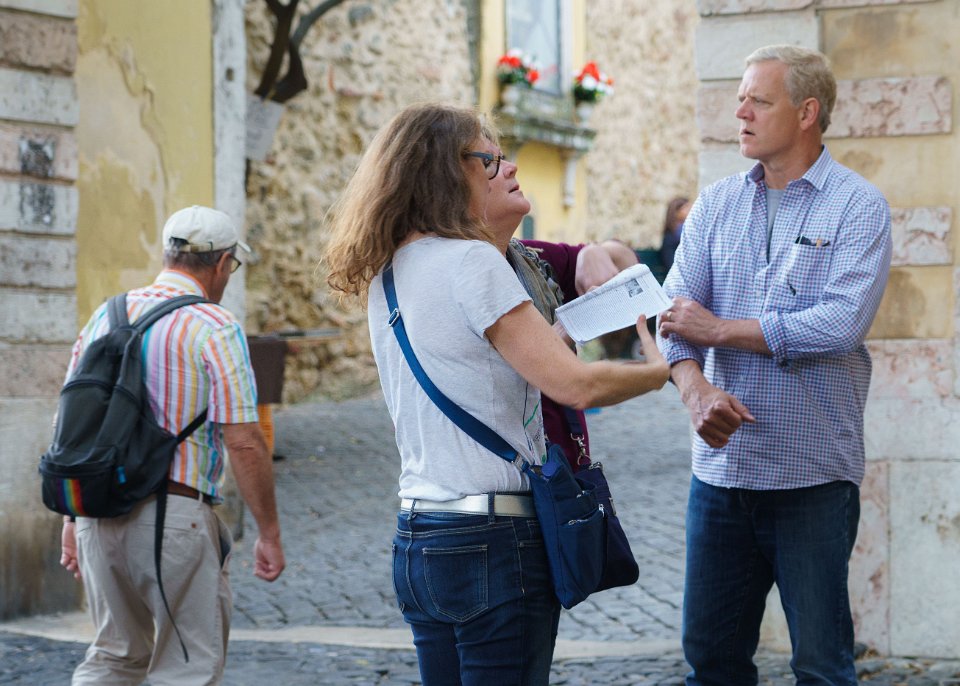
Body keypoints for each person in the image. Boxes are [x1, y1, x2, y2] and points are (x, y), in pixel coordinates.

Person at [323, 103, 669, 685]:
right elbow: (576, 384)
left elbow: (473, 369)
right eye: (489, 159)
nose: (505, 168)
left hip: (419, 534)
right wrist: (657, 371)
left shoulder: (391, 270)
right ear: (444, 170)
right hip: (494, 537)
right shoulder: (473, 262)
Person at [657, 45, 892, 685]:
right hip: (720, 477)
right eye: (740, 99)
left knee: (821, 666)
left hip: (812, 478)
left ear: (807, 112)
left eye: (758, 101)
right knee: (711, 662)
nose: (741, 112)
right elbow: (671, 315)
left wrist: (719, 330)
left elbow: (841, 323)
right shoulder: (714, 205)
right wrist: (695, 389)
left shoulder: (858, 205)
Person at [59, 205, 286, 685]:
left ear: (168, 254)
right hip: (173, 517)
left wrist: (71, 518)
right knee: (186, 668)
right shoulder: (214, 325)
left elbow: (72, 424)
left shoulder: (105, 315)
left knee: (112, 657)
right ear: (222, 263)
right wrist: (268, 532)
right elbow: (244, 442)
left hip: (96, 515)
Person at [658, 195, 690, 272]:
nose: (691, 210)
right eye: (686, 208)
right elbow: (671, 264)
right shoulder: (670, 237)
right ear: (676, 212)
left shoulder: (685, 231)